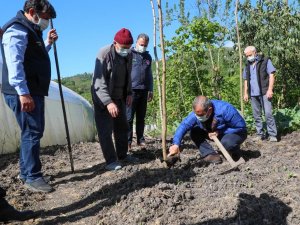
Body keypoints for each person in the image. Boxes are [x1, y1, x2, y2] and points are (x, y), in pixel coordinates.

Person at [1, 0, 58, 193]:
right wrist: (23, 93)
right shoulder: (17, 30)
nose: (46, 23)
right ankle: (33, 176)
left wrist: (48, 44)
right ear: (32, 11)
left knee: (32, 132)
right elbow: (14, 63)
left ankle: (26, 173)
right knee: (32, 132)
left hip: (32, 90)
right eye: (45, 18)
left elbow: (34, 58)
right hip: (24, 92)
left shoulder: (32, 30)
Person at [92, 28, 139, 171]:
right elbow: (99, 82)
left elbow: (128, 75)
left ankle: (123, 155)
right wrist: (108, 102)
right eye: (124, 48)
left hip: (119, 96)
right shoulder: (104, 53)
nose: (126, 50)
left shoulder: (129, 55)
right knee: (105, 130)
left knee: (122, 126)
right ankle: (111, 161)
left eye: (129, 48)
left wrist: (129, 93)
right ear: (115, 43)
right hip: (102, 97)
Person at [168, 96, 247, 163]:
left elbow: (241, 127)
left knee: (227, 143)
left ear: (209, 110)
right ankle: (210, 154)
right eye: (196, 114)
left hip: (235, 133)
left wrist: (219, 132)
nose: (198, 117)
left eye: (201, 115)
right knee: (194, 131)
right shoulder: (197, 113)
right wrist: (176, 144)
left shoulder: (225, 109)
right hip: (213, 133)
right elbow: (183, 126)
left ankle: (235, 153)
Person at [243, 46, 278, 142]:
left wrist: (270, 89)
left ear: (255, 52)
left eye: (249, 55)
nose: (248, 57)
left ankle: (272, 135)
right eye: (246, 56)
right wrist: (245, 93)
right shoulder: (247, 65)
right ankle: (260, 134)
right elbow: (246, 79)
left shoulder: (265, 60)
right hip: (253, 94)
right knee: (256, 115)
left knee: (268, 113)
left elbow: (272, 75)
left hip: (264, 92)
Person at [127, 33, 153, 150]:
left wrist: (151, 89)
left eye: (145, 45)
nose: (143, 46)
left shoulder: (148, 57)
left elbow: (150, 75)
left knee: (141, 117)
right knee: (129, 117)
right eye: (141, 44)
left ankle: (140, 140)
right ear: (136, 42)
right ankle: (127, 141)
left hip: (144, 90)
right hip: (131, 90)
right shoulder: (129, 54)